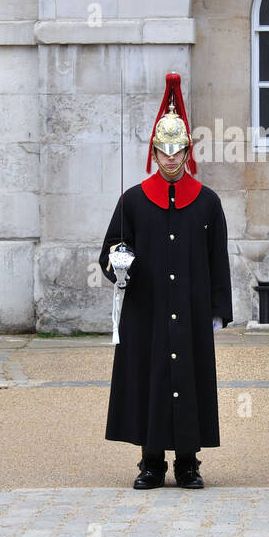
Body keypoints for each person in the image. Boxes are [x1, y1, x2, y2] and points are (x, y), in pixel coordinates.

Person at [99, 73, 232, 489]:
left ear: (187, 151)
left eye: (177, 151)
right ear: (154, 152)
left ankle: (188, 463)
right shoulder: (133, 201)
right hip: (147, 309)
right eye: (163, 151)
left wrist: (217, 309)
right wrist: (119, 263)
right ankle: (151, 462)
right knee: (151, 379)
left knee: (188, 381)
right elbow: (110, 252)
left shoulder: (207, 202)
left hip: (190, 308)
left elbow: (218, 261)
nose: (170, 159)